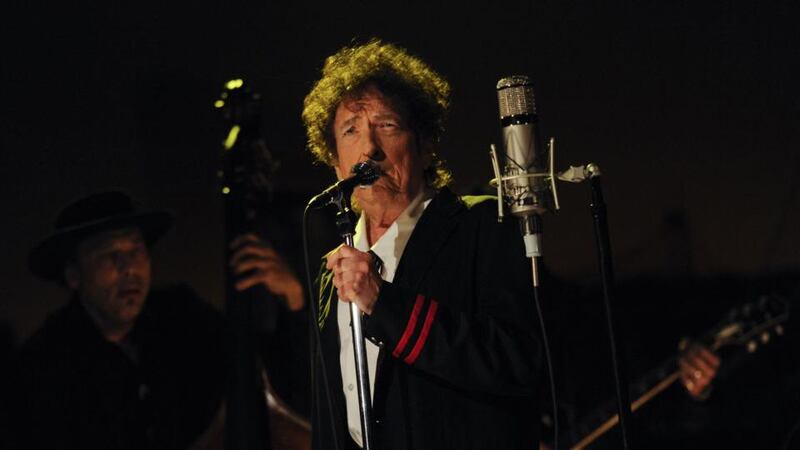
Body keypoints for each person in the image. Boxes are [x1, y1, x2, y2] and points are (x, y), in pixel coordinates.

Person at [301, 39, 542, 450]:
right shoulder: (332, 271)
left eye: (387, 126)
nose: (369, 149)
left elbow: (518, 362)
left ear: (425, 143)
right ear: (334, 162)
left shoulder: (481, 224)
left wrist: (384, 302)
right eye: (350, 130)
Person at [4, 190, 306, 450]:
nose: (129, 268)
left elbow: (270, 371)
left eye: (136, 250)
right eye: (108, 254)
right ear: (73, 274)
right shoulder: (43, 365)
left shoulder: (182, 316)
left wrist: (292, 298)